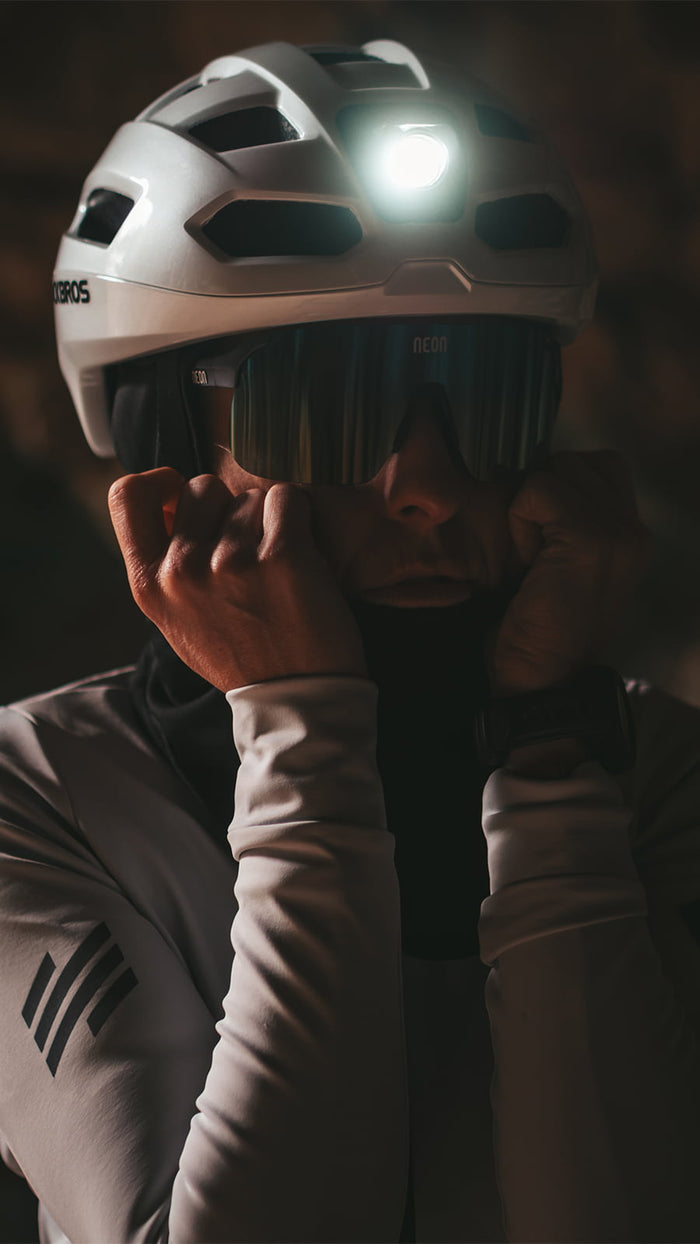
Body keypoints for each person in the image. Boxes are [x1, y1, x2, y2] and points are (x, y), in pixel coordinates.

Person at [1, 37, 698, 1244]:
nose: (427, 487)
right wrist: (304, 736)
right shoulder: (40, 792)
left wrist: (551, 753)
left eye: (487, 400)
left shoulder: (664, 769)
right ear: (165, 450)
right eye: (321, 409)